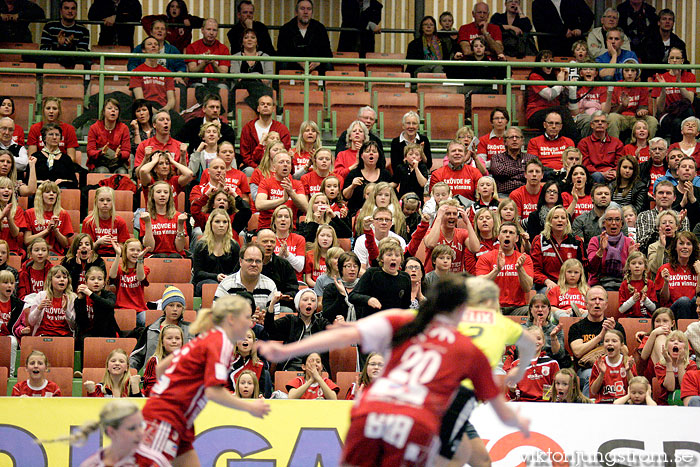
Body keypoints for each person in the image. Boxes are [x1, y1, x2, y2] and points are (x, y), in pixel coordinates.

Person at [259, 276, 530, 467]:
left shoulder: (407, 319)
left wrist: (287, 352)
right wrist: (519, 422)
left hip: (370, 411)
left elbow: (345, 335)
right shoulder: (469, 350)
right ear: (462, 309)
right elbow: (500, 407)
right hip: (415, 421)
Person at [141, 295, 270, 465]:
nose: (251, 323)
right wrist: (249, 406)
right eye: (246, 317)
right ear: (231, 319)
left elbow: (161, 368)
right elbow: (212, 391)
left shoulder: (207, 337)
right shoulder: (221, 342)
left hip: (181, 421)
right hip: (167, 417)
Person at [71, 400, 170, 466]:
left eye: (141, 425)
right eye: (132, 428)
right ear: (112, 432)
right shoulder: (92, 464)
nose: (140, 433)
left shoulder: (154, 462)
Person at [568, 285, 627, 396]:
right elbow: (577, 352)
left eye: (600, 299)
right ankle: (589, 409)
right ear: (586, 304)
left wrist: (613, 334)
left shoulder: (616, 327)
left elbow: (625, 352)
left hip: (614, 367)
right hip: (587, 369)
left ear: (606, 305)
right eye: (593, 299)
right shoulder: (576, 327)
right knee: (592, 374)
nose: (597, 302)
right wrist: (601, 336)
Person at [475, 221, 534, 314]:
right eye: (504, 232)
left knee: (532, 312)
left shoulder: (524, 259)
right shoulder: (485, 257)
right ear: (498, 237)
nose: (507, 235)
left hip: (517, 308)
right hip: (493, 307)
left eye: (511, 233)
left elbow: (527, 288)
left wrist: (520, 269)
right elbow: (480, 284)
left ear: (517, 238)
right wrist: (497, 270)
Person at [130, 286, 192, 371]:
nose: (175, 309)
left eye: (179, 306)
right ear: (164, 307)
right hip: (153, 378)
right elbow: (136, 357)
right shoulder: (150, 330)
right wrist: (129, 374)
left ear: (183, 309)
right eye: (171, 305)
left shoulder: (191, 330)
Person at [531, 205, 586, 292]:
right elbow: (534, 270)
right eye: (556, 217)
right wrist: (547, 281)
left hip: (571, 284)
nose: (560, 220)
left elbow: (583, 267)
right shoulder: (539, 240)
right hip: (548, 285)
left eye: (563, 218)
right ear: (549, 221)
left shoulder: (576, 241)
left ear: (567, 222)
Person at [192, 208, 240, 297]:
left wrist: (227, 278)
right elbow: (198, 273)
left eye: (225, 222)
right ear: (210, 224)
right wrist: (216, 276)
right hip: (204, 283)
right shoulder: (201, 245)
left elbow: (237, 271)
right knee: (214, 285)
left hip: (227, 282)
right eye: (217, 222)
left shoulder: (234, 245)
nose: (221, 225)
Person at [215, 244, 277, 313]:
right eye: (250, 260)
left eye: (258, 261)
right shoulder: (226, 284)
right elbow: (216, 315)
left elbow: (276, 316)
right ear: (240, 262)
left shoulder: (270, 285)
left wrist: (263, 320)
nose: (254, 264)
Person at [652, 47, 696, 143]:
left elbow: (690, 100)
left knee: (687, 115)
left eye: (678, 58)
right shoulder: (661, 77)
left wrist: (679, 83)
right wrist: (663, 89)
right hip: (667, 114)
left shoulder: (690, 76)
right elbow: (659, 108)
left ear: (682, 61)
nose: (675, 60)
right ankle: (675, 149)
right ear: (668, 60)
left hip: (685, 113)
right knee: (678, 123)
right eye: (672, 58)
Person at [276, 0, 333, 74]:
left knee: (328, 64)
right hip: (293, 65)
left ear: (312, 12)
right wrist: (297, 61)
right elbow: (282, 53)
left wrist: (318, 62)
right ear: (296, 12)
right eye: (302, 9)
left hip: (316, 66)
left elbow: (327, 53)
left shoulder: (320, 28)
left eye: (309, 9)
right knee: (283, 64)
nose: (306, 12)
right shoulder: (286, 29)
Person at [505, 326, 560, 401]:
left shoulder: (552, 363)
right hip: (523, 404)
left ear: (543, 342)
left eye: (539, 338)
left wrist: (554, 392)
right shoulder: (516, 365)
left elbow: (558, 389)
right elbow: (512, 396)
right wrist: (512, 390)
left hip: (545, 404)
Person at [654, 231, 700, 319]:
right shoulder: (665, 268)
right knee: (684, 301)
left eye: (688, 244)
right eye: (681, 244)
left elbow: (699, 295)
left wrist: (699, 274)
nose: (685, 247)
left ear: (693, 248)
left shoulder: (698, 267)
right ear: (675, 247)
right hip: (672, 312)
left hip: (695, 311)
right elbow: (663, 300)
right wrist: (666, 283)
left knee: (694, 300)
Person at [240, 95, 292, 172]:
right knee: (249, 171)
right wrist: (258, 169)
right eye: (262, 104)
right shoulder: (248, 128)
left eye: (268, 104)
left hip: (276, 168)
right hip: (253, 168)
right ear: (258, 108)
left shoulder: (282, 129)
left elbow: (285, 152)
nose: (265, 106)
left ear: (273, 109)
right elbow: (245, 155)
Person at [636, 180, 690, 251]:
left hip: (675, 259)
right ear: (654, 196)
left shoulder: (682, 217)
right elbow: (642, 246)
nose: (664, 196)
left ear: (674, 198)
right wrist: (658, 227)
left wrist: (677, 226)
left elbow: (685, 247)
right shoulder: (644, 216)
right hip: (651, 258)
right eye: (661, 193)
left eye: (668, 193)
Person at [607, 65, 658, 140]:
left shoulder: (641, 86)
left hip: (636, 118)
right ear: (622, 72)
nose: (630, 73)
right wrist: (623, 106)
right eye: (626, 70)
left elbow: (643, 107)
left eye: (633, 71)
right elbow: (612, 111)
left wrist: (641, 111)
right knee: (612, 117)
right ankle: (614, 146)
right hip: (621, 117)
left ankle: (646, 146)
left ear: (636, 73)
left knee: (652, 120)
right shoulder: (617, 86)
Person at [24, 180, 73, 256]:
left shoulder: (63, 214)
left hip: (56, 254)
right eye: (47, 192)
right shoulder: (29, 213)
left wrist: (55, 231)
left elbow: (65, 244)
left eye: (54, 192)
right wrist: (47, 230)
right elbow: (27, 241)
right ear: (41, 195)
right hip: (35, 254)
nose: (51, 194)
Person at [25, 265, 76, 337]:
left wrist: (66, 310)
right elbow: (31, 322)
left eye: (65, 277)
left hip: (65, 337)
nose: (62, 279)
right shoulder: (41, 296)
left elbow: (74, 325)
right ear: (50, 280)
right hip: (44, 334)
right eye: (58, 277)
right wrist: (39, 308)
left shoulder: (72, 297)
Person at [129, 36, 176, 112]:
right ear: (143, 50)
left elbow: (171, 100)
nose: (153, 46)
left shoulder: (167, 73)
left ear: (158, 50)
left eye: (156, 44)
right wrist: (152, 110)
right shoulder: (136, 72)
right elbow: (140, 98)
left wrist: (165, 109)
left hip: (163, 107)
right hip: (145, 107)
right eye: (149, 44)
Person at [589, 329, 636, 403]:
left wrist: (628, 371)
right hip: (604, 403)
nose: (609, 343)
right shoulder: (599, 363)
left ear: (621, 345)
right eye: (607, 341)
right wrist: (602, 374)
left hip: (624, 403)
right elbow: (593, 391)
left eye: (614, 341)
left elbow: (635, 390)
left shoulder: (627, 362)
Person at [27, 97, 79, 164]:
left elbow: (71, 158)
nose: (51, 111)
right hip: (40, 165)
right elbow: (32, 157)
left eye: (54, 108)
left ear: (59, 111)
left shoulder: (69, 129)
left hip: (62, 166)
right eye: (48, 108)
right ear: (43, 111)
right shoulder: (35, 128)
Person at [39, 0, 89, 69]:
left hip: (73, 60)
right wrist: (58, 46)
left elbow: (83, 53)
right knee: (29, 56)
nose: (70, 11)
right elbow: (43, 50)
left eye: (73, 8)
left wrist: (71, 47)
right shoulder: (50, 26)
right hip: (53, 59)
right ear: (61, 11)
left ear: (76, 11)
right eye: (66, 8)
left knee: (87, 62)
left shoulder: (83, 30)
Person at [74, 265, 117, 344]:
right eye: (92, 279)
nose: (96, 281)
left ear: (104, 283)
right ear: (86, 282)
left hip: (107, 333)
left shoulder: (109, 295)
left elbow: (109, 305)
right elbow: (81, 323)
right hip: (87, 336)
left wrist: (90, 294)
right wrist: (80, 300)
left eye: (100, 279)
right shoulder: (81, 298)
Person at [578, 111, 624, 184]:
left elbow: (620, 162)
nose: (600, 123)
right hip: (593, 174)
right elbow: (585, 164)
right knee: (597, 176)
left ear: (607, 125)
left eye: (603, 121)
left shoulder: (617, 143)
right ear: (591, 125)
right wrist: (601, 173)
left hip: (612, 174)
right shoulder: (584, 143)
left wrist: (614, 171)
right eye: (596, 121)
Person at [641, 9, 687, 80]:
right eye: (664, 19)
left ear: (673, 23)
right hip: (652, 76)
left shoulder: (679, 43)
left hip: (674, 76)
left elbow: (684, 63)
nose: (667, 22)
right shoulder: (648, 41)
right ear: (659, 22)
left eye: (670, 19)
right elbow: (646, 63)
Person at [86, 98, 130, 174]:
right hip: (100, 163)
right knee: (102, 171)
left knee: (122, 172)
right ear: (103, 112)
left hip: (118, 163)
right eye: (109, 108)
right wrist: (101, 152)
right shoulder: (94, 127)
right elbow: (90, 151)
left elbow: (127, 152)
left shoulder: (124, 128)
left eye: (116, 109)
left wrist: (120, 154)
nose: (113, 111)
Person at [184, 18, 230, 90]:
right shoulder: (192, 47)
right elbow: (192, 71)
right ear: (202, 30)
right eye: (208, 29)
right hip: (198, 82)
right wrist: (204, 63)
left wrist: (214, 64)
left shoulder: (224, 49)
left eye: (214, 30)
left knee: (223, 88)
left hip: (217, 83)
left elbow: (223, 75)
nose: (211, 33)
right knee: (198, 88)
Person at [490, 127, 536, 195]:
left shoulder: (531, 158)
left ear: (522, 141)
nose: (514, 139)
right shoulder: (497, 157)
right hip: (504, 194)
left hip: (526, 194)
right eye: (511, 137)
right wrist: (523, 170)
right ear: (505, 142)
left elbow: (533, 175)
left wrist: (508, 175)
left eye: (517, 137)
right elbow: (499, 171)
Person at [257, 229, 299, 302]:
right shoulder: (248, 262)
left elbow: (293, 288)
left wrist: (286, 295)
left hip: (279, 304)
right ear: (256, 243)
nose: (269, 244)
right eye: (265, 241)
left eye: (272, 242)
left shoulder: (284, 264)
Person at [31, 123, 78, 189]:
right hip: (39, 191)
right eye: (51, 134)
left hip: (61, 191)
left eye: (57, 135)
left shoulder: (66, 159)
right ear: (44, 138)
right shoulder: (35, 157)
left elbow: (74, 182)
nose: (54, 137)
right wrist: (43, 182)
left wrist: (63, 181)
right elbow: (27, 181)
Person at [142, 324, 183, 397]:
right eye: (169, 338)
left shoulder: (187, 361)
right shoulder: (154, 360)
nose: (174, 341)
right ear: (162, 342)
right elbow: (149, 389)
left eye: (177, 338)